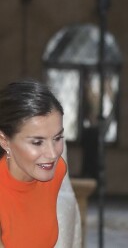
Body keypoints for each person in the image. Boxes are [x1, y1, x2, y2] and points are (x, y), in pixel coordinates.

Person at [0, 80, 66, 248]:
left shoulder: (56, 170)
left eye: (57, 138)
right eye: (37, 142)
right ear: (4, 141)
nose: (52, 154)